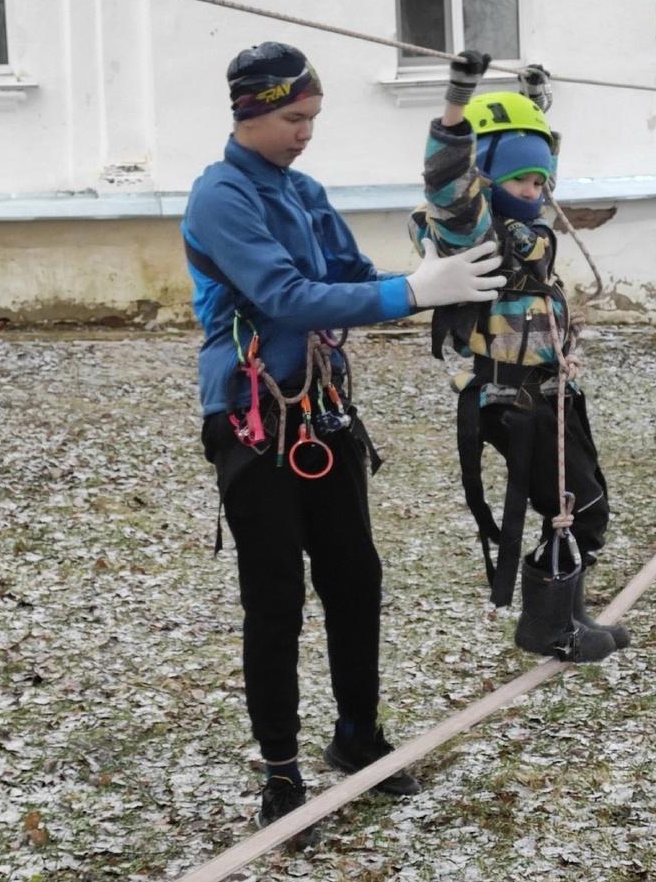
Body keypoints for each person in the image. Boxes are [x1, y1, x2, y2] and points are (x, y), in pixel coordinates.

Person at [181, 41, 504, 840]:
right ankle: (282, 773)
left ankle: (357, 734)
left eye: (313, 117)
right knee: (276, 597)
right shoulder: (219, 197)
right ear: (249, 113)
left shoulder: (306, 190)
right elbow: (284, 295)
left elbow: (350, 275)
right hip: (253, 420)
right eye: (294, 118)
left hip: (321, 413)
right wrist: (408, 291)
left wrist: (426, 274)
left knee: (355, 575)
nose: (306, 133)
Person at [408, 50, 630, 662]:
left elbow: (532, 156)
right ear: (487, 177)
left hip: (552, 389)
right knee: (573, 506)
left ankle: (569, 610)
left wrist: (533, 108)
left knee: (586, 504)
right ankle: (545, 627)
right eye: (521, 181)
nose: (534, 192)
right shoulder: (471, 229)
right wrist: (457, 108)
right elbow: (449, 180)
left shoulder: (522, 226)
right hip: (512, 397)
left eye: (541, 182)